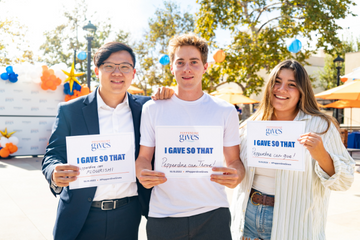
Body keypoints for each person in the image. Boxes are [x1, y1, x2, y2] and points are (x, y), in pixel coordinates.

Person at [42, 42, 173, 240]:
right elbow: (53, 154)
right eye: (109, 66)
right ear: (97, 70)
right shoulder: (70, 111)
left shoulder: (148, 108)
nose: (117, 72)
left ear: (133, 73)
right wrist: (54, 172)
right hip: (80, 217)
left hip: (128, 216)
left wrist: (171, 96)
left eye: (124, 67)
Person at [135, 33, 245, 240]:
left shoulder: (225, 110)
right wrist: (142, 173)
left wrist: (238, 174)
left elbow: (235, 161)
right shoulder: (152, 109)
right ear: (171, 68)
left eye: (194, 62)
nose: (187, 68)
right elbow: (143, 159)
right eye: (180, 62)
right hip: (163, 215)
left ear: (205, 67)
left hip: (213, 213)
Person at [231, 59, 355, 240]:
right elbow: (236, 168)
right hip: (247, 220)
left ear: (302, 92)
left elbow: (345, 181)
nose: (281, 89)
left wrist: (322, 156)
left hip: (295, 225)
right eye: (277, 82)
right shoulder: (251, 125)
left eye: (291, 85)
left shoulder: (321, 126)